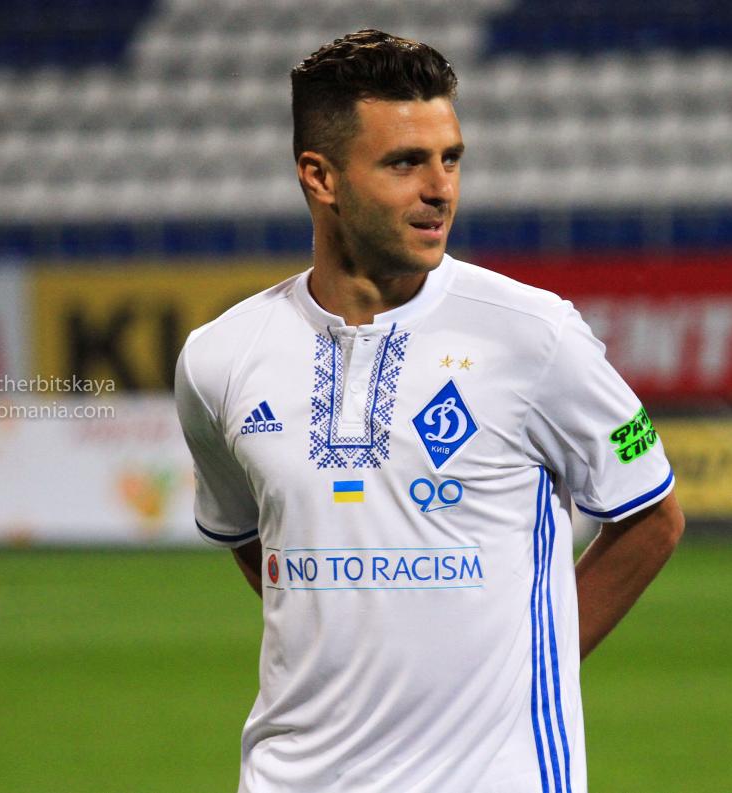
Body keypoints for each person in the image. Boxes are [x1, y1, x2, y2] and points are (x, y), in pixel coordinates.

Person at [175, 29, 685, 793]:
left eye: (451, 158)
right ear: (320, 176)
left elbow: (652, 515)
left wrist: (524, 670)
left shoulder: (534, 334)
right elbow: (258, 538)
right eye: (405, 162)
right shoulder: (219, 358)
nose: (440, 188)